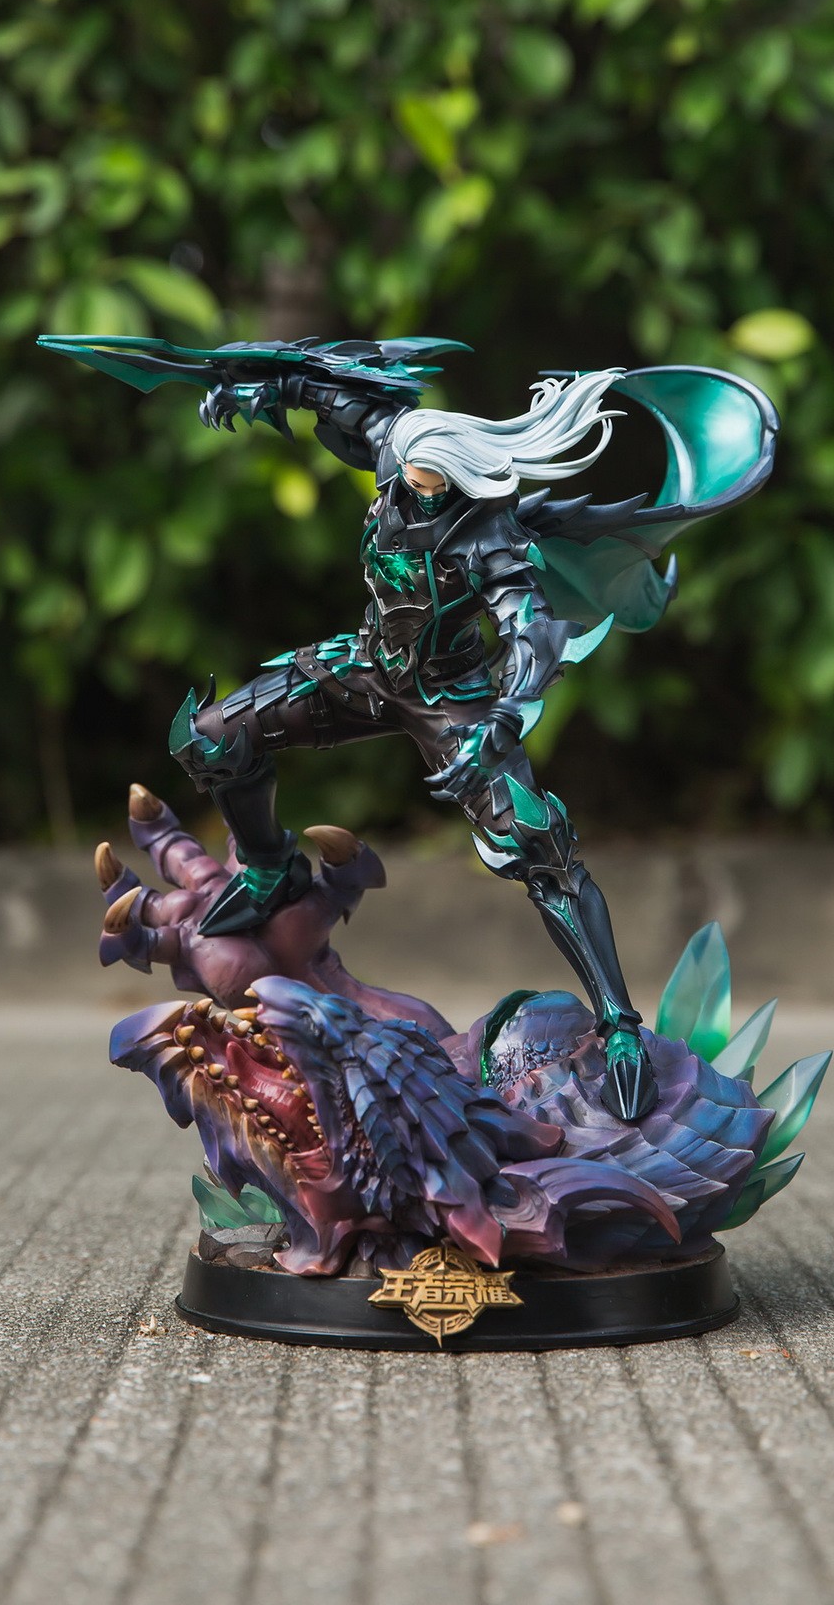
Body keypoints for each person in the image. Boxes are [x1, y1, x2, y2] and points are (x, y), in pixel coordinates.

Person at [171, 362, 659, 1121]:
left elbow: (531, 634)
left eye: (423, 478)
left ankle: (620, 1025)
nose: (401, 483)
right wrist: (259, 389)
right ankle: (270, 866)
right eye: (401, 469)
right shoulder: (398, 451)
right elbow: (333, 396)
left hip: (454, 700)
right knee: (211, 739)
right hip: (366, 670)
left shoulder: (490, 537)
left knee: (538, 842)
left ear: (458, 478)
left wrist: (501, 723)